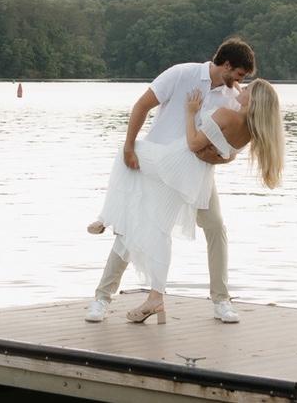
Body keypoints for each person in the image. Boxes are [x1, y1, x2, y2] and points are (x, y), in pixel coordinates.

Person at [83, 38, 284, 325]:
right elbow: (141, 106)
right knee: (132, 229)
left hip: (197, 173)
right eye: (240, 75)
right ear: (227, 65)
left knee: (215, 227)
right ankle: (102, 298)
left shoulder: (234, 97)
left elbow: (231, 147)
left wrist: (222, 159)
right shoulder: (181, 74)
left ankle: (221, 300)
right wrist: (129, 146)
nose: (241, 83)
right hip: (160, 165)